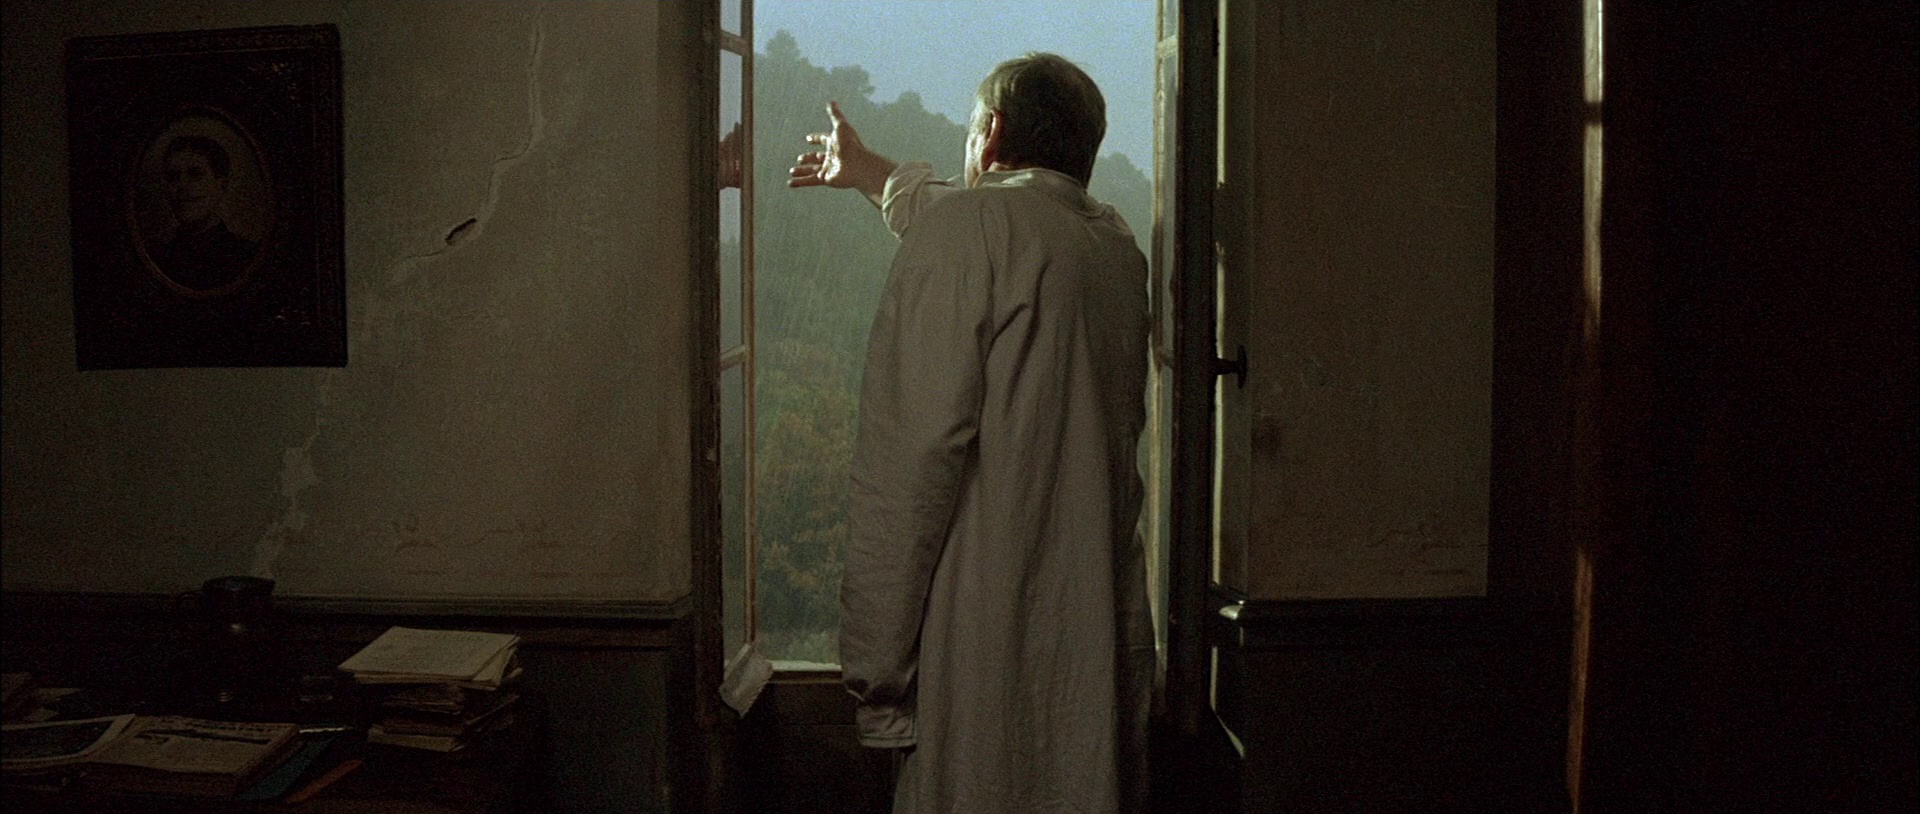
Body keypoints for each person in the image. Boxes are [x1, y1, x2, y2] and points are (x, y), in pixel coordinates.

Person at [791, 53, 1153, 814]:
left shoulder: (967, 233)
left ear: (989, 134)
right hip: (1090, 651)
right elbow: (998, 236)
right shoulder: (1113, 248)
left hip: (978, 653)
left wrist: (876, 674)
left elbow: (905, 473)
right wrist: (870, 173)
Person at [150, 134, 259, 292]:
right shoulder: (157, 258)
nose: (182, 185)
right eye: (173, 177)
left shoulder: (247, 255)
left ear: (221, 185)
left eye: (196, 174)